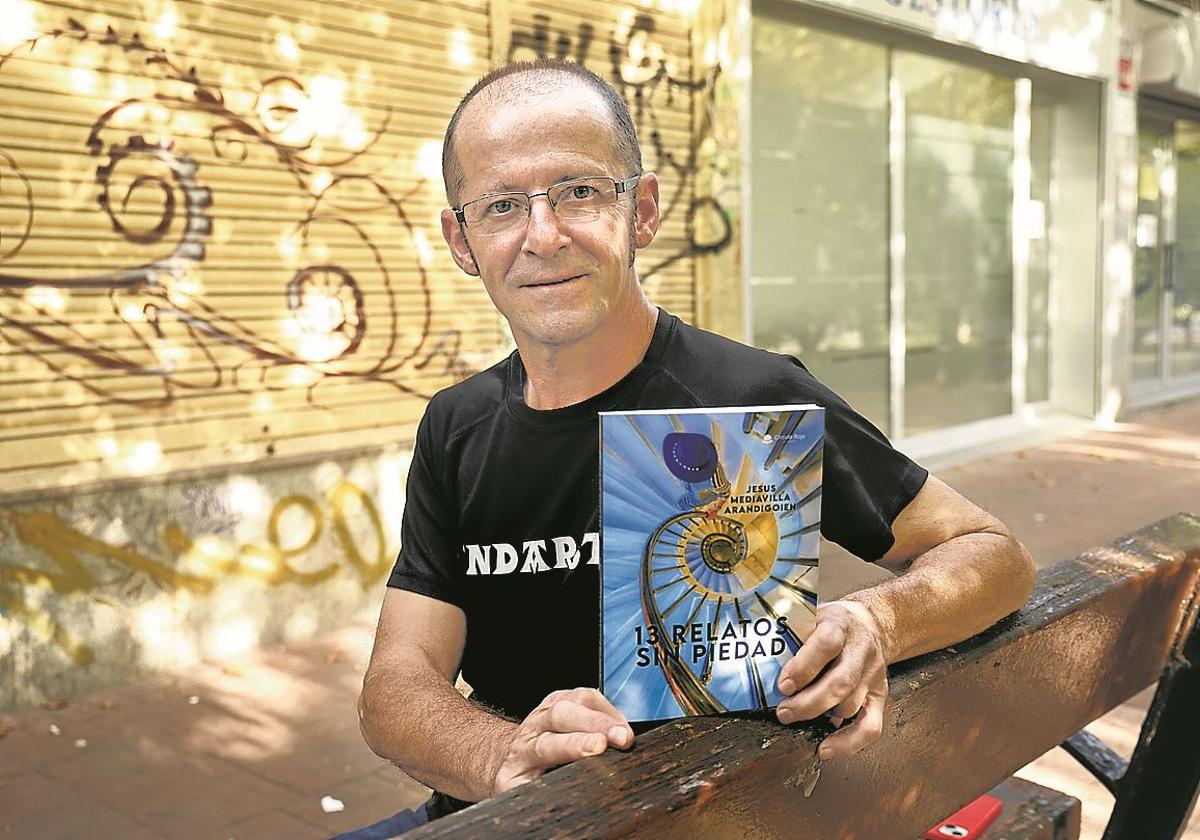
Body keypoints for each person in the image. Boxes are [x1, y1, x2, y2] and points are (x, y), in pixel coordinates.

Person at [352, 58, 1036, 833]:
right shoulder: (456, 427)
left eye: (579, 191)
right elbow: (396, 686)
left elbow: (992, 553)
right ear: (462, 239)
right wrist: (499, 756)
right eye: (502, 205)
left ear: (640, 209)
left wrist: (879, 621)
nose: (542, 236)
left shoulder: (754, 398)